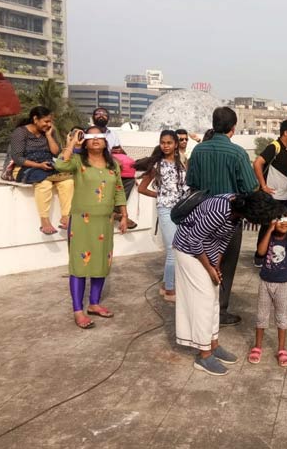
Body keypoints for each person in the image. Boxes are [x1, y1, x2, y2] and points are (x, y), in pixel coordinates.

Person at [172, 191, 285, 376]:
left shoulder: (237, 213)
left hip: (205, 253)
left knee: (214, 298)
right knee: (204, 301)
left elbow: (223, 241)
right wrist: (208, 268)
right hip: (187, 251)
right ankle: (204, 355)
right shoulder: (220, 210)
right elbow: (194, 239)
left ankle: (213, 344)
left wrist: (216, 265)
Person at [185, 107, 258, 326]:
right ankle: (220, 310)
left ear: (213, 124)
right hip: (229, 217)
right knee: (225, 265)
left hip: (202, 215)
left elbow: (191, 183)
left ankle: (202, 308)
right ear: (233, 128)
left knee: (202, 263)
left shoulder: (199, 151)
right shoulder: (237, 153)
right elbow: (250, 186)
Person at [55, 125, 129, 329]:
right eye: (90, 136)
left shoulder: (113, 164)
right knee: (79, 266)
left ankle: (94, 304)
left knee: (101, 263)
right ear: (85, 141)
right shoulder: (78, 162)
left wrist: (124, 214)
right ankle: (78, 310)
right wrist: (71, 143)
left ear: (106, 141)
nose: (95, 139)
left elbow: (119, 190)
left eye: (100, 136)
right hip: (81, 223)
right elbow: (60, 166)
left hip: (104, 223)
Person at [249, 214, 287, 367]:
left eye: (285, 221)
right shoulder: (269, 236)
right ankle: (257, 346)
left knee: (281, 316)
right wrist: (270, 228)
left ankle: (281, 349)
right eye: (279, 221)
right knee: (262, 315)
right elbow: (261, 252)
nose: (282, 224)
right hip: (265, 282)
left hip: (283, 283)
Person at [138, 130, 188, 302]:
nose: (165, 146)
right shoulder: (156, 166)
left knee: (181, 248)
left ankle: (167, 283)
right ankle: (169, 290)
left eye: (169, 143)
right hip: (166, 210)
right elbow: (141, 188)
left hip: (181, 210)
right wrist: (160, 196)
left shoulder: (182, 163)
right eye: (163, 143)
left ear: (175, 144)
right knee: (172, 249)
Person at [8, 106, 74, 235]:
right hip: (25, 168)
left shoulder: (48, 131)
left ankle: (66, 217)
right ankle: (45, 221)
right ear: (35, 119)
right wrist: (38, 166)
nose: (49, 124)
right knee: (44, 183)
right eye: (46, 121)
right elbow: (17, 158)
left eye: (50, 121)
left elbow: (55, 152)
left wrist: (49, 136)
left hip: (47, 166)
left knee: (68, 183)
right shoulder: (20, 132)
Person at [252, 119, 287, 267]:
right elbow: (257, 163)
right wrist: (263, 185)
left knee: (282, 225)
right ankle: (259, 257)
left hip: (285, 195)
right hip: (271, 195)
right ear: (285, 132)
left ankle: (275, 253)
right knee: (267, 226)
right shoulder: (274, 146)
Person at [91, 106, 137, 230]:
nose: (101, 116)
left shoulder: (112, 134)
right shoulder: (90, 133)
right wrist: (111, 157)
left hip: (111, 166)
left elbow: (118, 152)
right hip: (94, 166)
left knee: (129, 180)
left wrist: (122, 152)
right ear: (93, 117)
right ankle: (120, 214)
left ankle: (116, 212)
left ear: (108, 118)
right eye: (98, 114)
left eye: (104, 114)